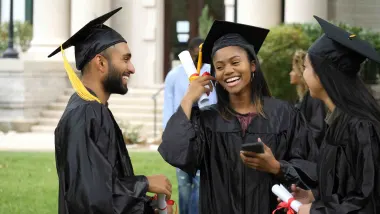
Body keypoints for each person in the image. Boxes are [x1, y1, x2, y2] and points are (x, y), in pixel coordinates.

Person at [158, 20, 319, 214]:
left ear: (252, 65)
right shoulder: (208, 120)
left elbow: (311, 169)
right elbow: (174, 152)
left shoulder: (284, 114)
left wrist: (277, 167)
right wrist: (189, 97)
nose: (228, 71)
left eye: (235, 62)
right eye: (220, 66)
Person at [49, 7, 172, 214]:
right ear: (101, 62)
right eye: (125, 59)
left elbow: (106, 186)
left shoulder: (94, 109)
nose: (132, 68)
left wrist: (148, 208)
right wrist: (144, 183)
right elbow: (91, 199)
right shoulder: (86, 114)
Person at [291, 16, 380, 214]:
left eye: (306, 67)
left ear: (322, 75)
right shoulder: (338, 121)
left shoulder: (361, 128)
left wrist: (314, 211)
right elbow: (346, 186)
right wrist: (315, 195)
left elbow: (366, 203)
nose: (303, 74)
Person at [162, 37, 217, 214]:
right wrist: (169, 132)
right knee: (184, 184)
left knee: (201, 182)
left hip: (205, 131)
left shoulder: (210, 74)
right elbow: (168, 105)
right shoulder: (174, 75)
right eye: (194, 54)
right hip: (183, 131)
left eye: (200, 55)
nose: (196, 60)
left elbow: (215, 101)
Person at [289, 50, 327, 147]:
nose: (290, 73)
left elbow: (318, 130)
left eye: (293, 69)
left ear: (299, 71)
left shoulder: (314, 97)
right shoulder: (301, 97)